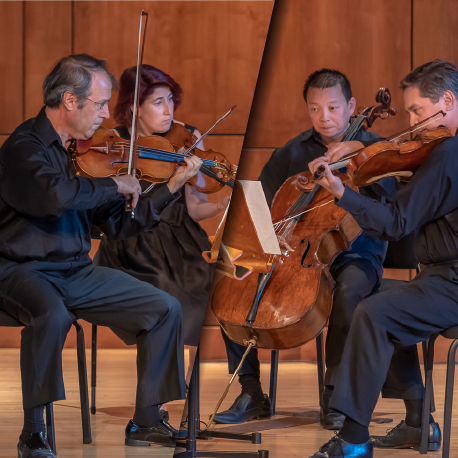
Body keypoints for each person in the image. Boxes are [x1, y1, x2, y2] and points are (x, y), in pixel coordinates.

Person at [0, 54, 203, 458]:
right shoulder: (24, 148)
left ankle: (146, 420)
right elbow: (55, 199)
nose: (108, 114)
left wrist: (173, 184)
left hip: (75, 270)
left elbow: (122, 223)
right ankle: (33, 434)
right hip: (21, 270)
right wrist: (115, 183)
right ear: (70, 101)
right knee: (52, 315)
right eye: (100, 104)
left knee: (165, 308)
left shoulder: (79, 153)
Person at [215, 69, 393, 430]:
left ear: (351, 106)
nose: (324, 117)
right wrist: (258, 240)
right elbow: (261, 204)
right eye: (314, 108)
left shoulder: (375, 150)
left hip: (357, 252)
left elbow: (393, 208)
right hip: (296, 251)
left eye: (332, 107)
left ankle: (335, 395)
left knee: (348, 293)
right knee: (231, 279)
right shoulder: (291, 152)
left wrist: (357, 168)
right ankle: (251, 392)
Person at [307, 59, 458, 457]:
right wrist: (368, 149)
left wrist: (344, 193)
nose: (412, 122)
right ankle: (417, 421)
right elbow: (404, 161)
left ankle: (354, 441)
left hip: (453, 283)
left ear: (447, 100)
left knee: (376, 311)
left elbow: (396, 222)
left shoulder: (450, 155)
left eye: (416, 111)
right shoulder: (445, 151)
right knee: (376, 296)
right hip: (440, 278)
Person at [94, 65, 230, 418]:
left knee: (220, 286)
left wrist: (223, 203)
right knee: (164, 294)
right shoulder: (115, 144)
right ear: (135, 107)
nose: (169, 110)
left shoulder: (185, 140)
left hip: (182, 238)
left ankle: (189, 388)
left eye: (171, 100)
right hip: (134, 240)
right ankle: (159, 397)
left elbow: (196, 209)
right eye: (158, 102)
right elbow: (112, 213)